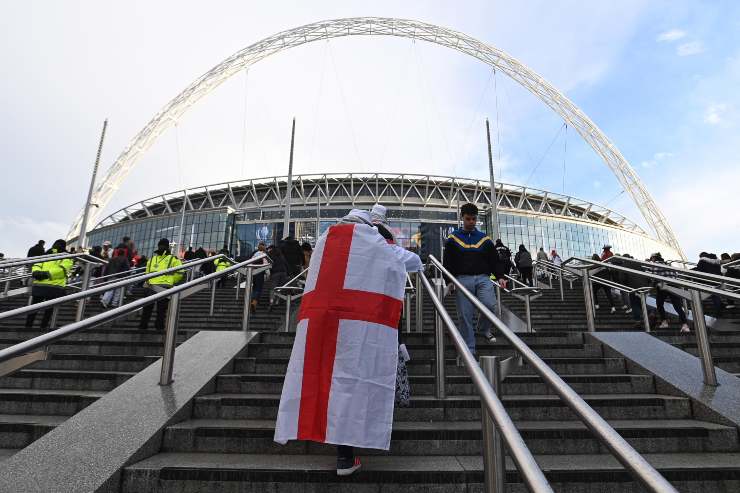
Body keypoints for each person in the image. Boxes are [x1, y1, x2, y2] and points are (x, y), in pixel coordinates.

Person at [274, 209, 407, 477]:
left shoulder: (325, 238)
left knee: (333, 382)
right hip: (358, 324)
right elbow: (403, 261)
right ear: (371, 223)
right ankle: (347, 453)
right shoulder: (373, 240)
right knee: (352, 382)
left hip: (322, 324)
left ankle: (344, 452)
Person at [442, 203, 498, 353]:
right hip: (462, 280)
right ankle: (469, 348)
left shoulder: (484, 239)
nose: (471, 222)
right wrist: (449, 281)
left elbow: (493, 259)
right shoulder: (453, 238)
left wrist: (501, 276)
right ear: (462, 218)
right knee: (465, 315)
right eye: (468, 219)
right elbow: (448, 262)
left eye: (473, 219)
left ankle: (483, 328)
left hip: (483, 278)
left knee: (490, 305)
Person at [25, 239, 73, 329]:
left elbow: (37, 265)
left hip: (42, 285)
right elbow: (63, 270)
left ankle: (28, 327)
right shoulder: (67, 256)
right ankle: (42, 328)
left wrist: (39, 273)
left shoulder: (46, 254)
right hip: (55, 286)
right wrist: (39, 273)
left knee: (34, 308)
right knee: (48, 310)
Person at [138, 239, 183, 331]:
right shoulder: (158, 259)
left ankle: (149, 326)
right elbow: (180, 273)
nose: (161, 247)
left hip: (158, 285)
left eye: (162, 245)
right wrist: (170, 281)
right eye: (161, 245)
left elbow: (180, 272)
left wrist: (170, 280)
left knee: (154, 308)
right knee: (156, 309)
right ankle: (153, 327)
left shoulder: (166, 258)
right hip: (157, 286)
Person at [648, 252, 690, 333]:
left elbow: (654, 275)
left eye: (651, 259)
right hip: (674, 285)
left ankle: (664, 322)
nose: (651, 260)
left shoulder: (655, 264)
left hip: (663, 286)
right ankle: (685, 325)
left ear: (654, 258)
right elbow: (675, 275)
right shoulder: (668, 264)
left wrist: (653, 284)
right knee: (677, 306)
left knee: (659, 304)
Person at [249, 242, 269, 313]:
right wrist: (268, 274)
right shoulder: (264, 254)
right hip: (260, 273)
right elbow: (266, 264)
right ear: (264, 247)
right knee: (259, 288)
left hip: (254, 273)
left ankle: (252, 300)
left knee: (255, 287)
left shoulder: (254, 254)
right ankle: (254, 302)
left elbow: (250, 262)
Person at [267, 245, 289, 309]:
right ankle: (277, 301)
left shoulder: (271, 255)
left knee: (273, 288)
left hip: (275, 273)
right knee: (279, 288)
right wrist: (288, 273)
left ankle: (271, 301)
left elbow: (270, 265)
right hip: (283, 272)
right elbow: (286, 264)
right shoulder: (281, 256)